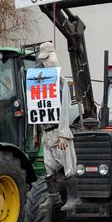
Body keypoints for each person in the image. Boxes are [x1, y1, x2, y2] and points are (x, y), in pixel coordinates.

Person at [36, 42, 79, 211]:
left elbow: (65, 109)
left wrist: (63, 133)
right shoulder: (40, 82)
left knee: (68, 166)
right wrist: (38, 132)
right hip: (47, 133)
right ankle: (53, 196)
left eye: (47, 58)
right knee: (48, 166)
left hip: (59, 132)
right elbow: (39, 108)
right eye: (43, 60)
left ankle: (74, 198)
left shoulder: (61, 81)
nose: (45, 62)